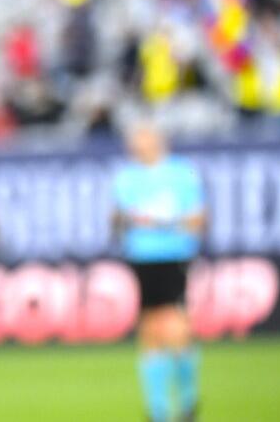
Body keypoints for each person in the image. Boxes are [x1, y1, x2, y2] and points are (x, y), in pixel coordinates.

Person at [114, 124, 205, 422]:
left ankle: (188, 401)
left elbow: (198, 220)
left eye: (142, 137)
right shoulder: (127, 177)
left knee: (175, 325)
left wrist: (162, 222)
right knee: (150, 328)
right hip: (142, 257)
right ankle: (158, 411)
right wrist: (121, 221)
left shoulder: (181, 173)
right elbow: (120, 218)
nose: (136, 144)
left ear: (157, 140)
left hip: (173, 255)